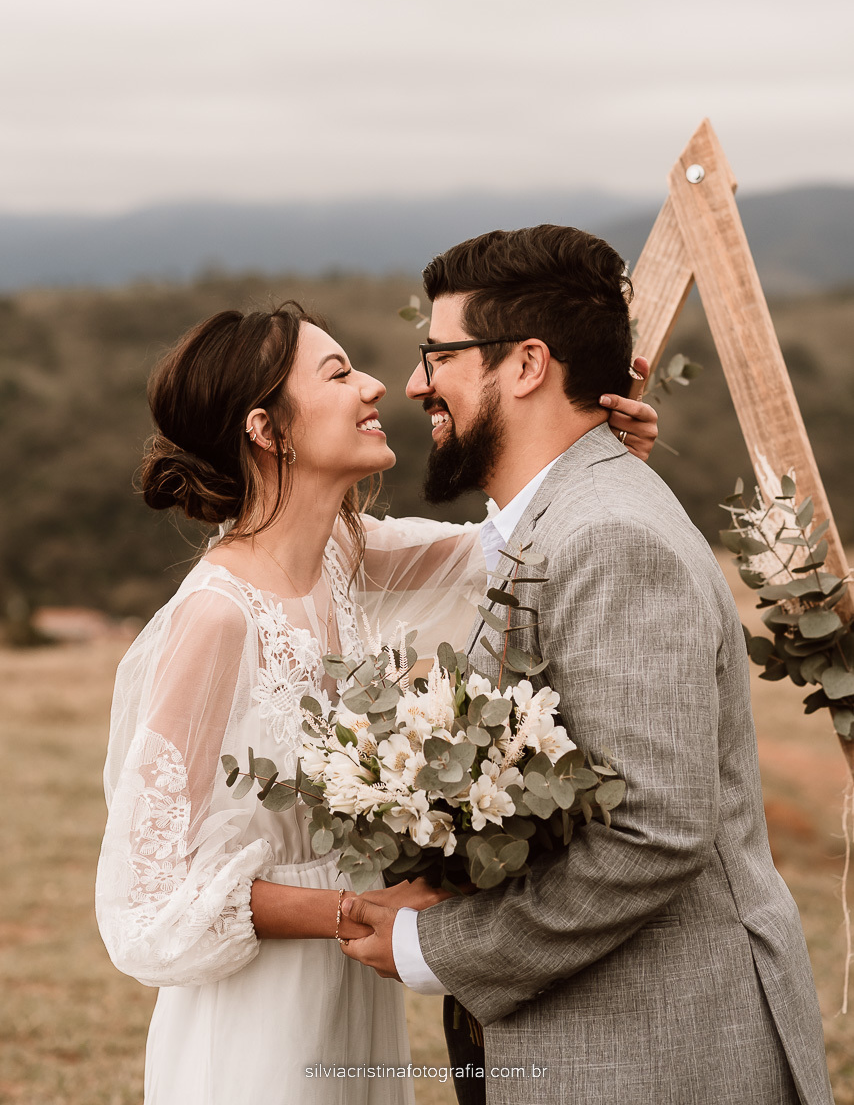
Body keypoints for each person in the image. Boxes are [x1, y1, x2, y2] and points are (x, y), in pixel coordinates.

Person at [94, 298, 658, 1105]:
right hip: (260, 1010)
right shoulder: (215, 617)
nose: (375, 388)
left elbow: (513, 547)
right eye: (338, 373)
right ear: (267, 428)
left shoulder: (345, 556)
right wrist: (363, 909)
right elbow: (147, 901)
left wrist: (598, 448)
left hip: (354, 980)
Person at [338, 225, 834, 1105]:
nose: (417, 382)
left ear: (527, 365)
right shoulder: (557, 519)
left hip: (663, 1048)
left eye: (438, 353)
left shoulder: (605, 536)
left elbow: (655, 830)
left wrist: (440, 946)